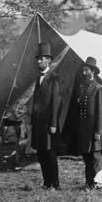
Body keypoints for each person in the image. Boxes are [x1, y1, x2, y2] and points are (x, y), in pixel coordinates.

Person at [73, 56, 102, 190]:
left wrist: (98, 131)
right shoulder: (81, 88)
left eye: (86, 70)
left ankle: (97, 183)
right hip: (84, 129)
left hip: (94, 129)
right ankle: (89, 183)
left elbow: (101, 112)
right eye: (83, 70)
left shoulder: (98, 88)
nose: (84, 73)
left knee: (95, 158)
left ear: (92, 71)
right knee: (86, 157)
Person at [31, 42, 61, 190]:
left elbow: (55, 103)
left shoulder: (54, 78)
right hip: (38, 124)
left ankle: (55, 183)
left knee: (50, 154)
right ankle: (46, 182)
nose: (38, 61)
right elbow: (36, 102)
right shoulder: (38, 79)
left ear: (48, 60)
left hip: (49, 124)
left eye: (41, 59)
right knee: (41, 153)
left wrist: (54, 124)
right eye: (38, 59)